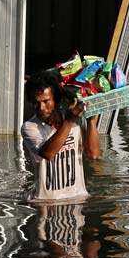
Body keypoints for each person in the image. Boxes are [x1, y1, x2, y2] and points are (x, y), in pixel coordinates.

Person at [21, 71, 101, 203]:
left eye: (46, 101)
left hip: (78, 198)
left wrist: (91, 120)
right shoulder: (30, 127)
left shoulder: (75, 119)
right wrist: (69, 121)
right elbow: (48, 154)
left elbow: (93, 155)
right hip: (45, 203)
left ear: (56, 100)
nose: (41, 108)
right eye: (36, 103)